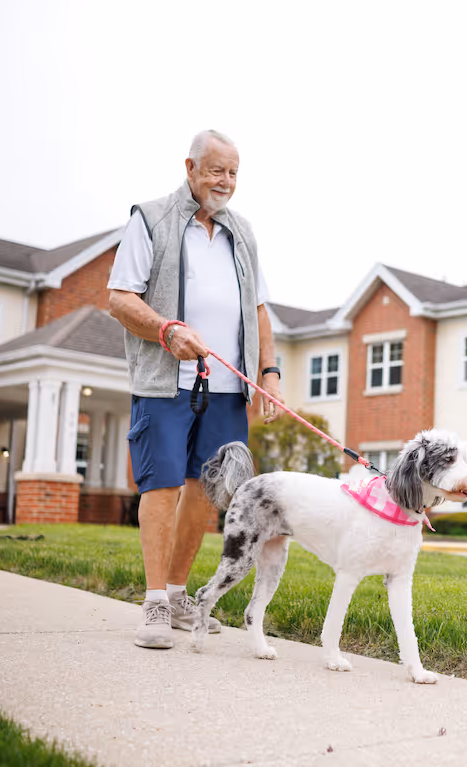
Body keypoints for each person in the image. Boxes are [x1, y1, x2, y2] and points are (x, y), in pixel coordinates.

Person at [107, 129, 283, 649]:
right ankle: (156, 602)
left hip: (228, 388)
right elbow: (119, 297)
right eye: (215, 170)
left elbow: (258, 310)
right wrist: (167, 330)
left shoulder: (242, 233)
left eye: (232, 172)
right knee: (160, 485)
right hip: (165, 380)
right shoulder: (151, 219)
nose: (224, 182)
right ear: (190, 168)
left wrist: (268, 374)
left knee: (207, 491)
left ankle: (181, 595)